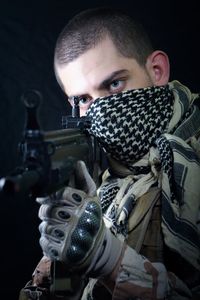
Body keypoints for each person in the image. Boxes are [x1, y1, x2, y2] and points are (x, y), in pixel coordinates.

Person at [19, 7, 200, 300]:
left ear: (156, 71)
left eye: (114, 84)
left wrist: (111, 261)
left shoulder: (190, 161)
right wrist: (61, 259)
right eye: (84, 99)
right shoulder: (103, 182)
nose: (102, 110)